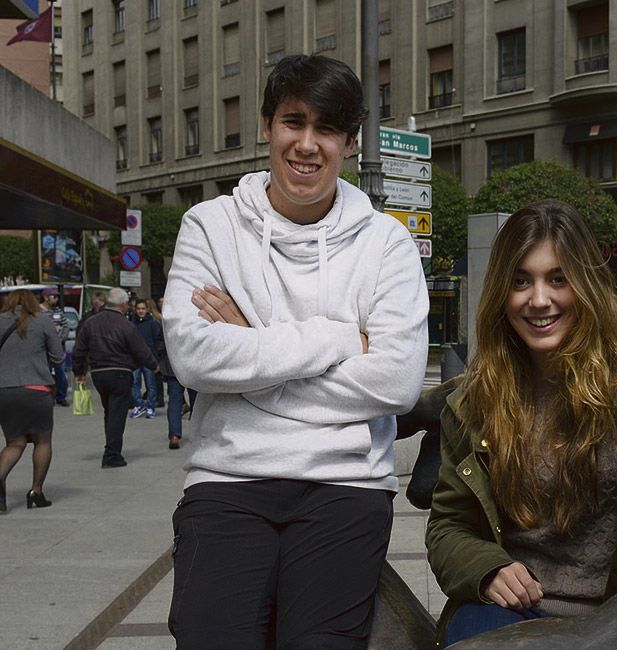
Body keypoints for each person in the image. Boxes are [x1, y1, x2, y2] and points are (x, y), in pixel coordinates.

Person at [163, 54, 429, 648]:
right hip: (227, 481)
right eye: (293, 122)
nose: (307, 144)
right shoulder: (209, 226)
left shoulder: (386, 243)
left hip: (346, 487)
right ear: (267, 126)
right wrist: (338, 339)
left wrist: (251, 344)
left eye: (327, 129)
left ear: (350, 143)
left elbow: (395, 382)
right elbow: (194, 358)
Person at [426, 200, 617, 646]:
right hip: (510, 615)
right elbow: (448, 526)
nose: (539, 300)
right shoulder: (474, 400)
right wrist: (486, 569)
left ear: (586, 282)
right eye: (521, 281)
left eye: (558, 279)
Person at [72, 287, 158, 468]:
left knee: (109, 412)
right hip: (119, 372)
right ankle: (112, 454)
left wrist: (79, 372)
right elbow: (140, 349)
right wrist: (154, 366)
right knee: (117, 413)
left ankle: (111, 447)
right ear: (124, 305)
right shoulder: (125, 325)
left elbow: (79, 350)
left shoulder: (91, 323)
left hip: (98, 373)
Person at [0, 289, 65, 513]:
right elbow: (59, 357)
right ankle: (36, 491)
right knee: (42, 441)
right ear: (34, 301)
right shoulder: (42, 321)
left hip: (5, 391)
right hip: (36, 389)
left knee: (14, 443)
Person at [155, 296, 184, 449]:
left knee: (174, 401)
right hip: (193, 365)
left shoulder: (167, 321)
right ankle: (202, 435)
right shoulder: (195, 317)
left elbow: (160, 344)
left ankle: (174, 435)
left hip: (173, 367)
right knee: (199, 402)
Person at [129, 299, 161, 419]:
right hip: (135, 358)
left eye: (143, 309)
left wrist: (156, 358)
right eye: (138, 309)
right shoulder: (132, 324)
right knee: (134, 383)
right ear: (135, 310)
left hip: (149, 358)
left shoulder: (153, 323)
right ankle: (139, 404)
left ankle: (151, 406)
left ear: (147, 310)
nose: (141, 311)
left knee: (151, 384)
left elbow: (157, 341)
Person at [40, 288, 70, 406]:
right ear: (46, 297)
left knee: (61, 371)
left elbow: (66, 325)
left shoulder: (58, 311)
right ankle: (48, 397)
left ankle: (61, 396)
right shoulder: (38, 311)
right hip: (43, 347)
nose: (57, 299)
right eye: (54, 297)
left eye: (57, 297)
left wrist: (61, 338)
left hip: (58, 346)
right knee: (45, 372)